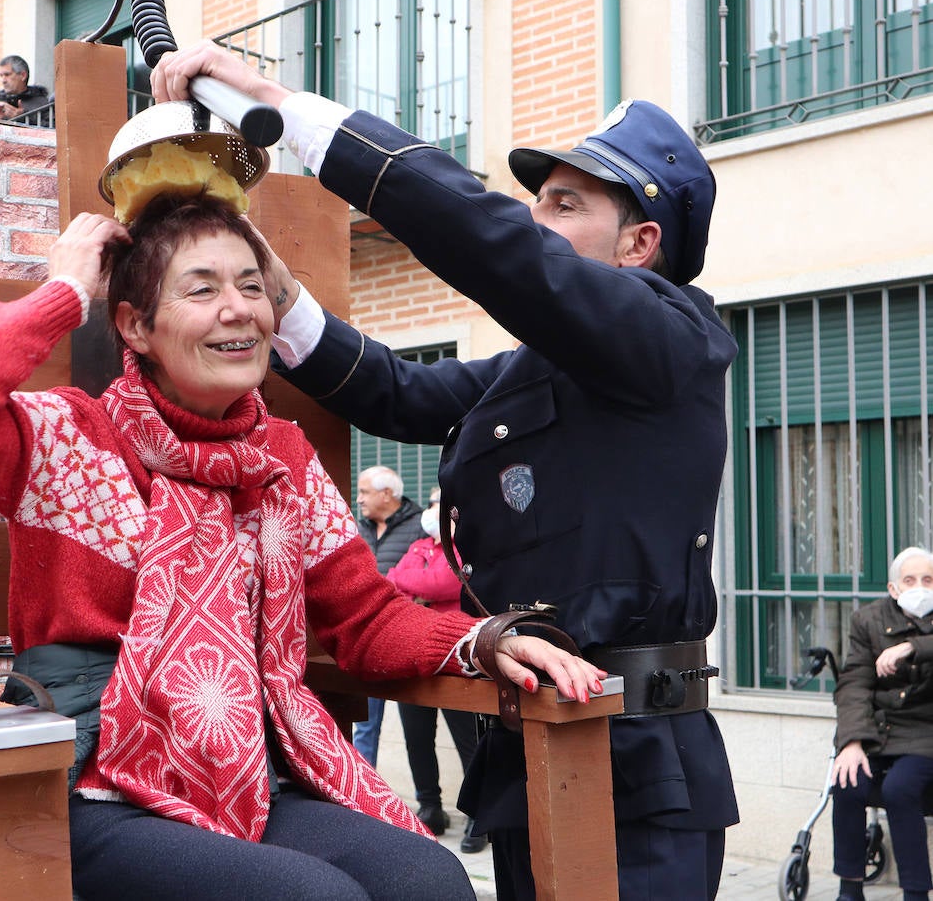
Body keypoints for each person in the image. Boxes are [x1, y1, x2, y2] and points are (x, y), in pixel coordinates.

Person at [0, 191, 606, 900]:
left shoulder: (283, 460)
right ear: (135, 327)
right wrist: (69, 289)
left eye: (252, 287)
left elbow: (367, 617)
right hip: (94, 784)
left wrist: (482, 641)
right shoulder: (66, 438)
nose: (238, 309)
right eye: (202, 290)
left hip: (248, 773)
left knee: (430, 879)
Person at [152, 44, 740, 900]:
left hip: (635, 765)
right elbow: (399, 393)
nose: (535, 218)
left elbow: (492, 242)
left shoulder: (673, 339)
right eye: (535, 199)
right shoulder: (542, 367)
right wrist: (267, 288)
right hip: (529, 737)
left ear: (640, 244)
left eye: (565, 204)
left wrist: (283, 106)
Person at [830, 546, 933, 901]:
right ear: (893, 589)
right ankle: (849, 888)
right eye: (910, 580)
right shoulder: (868, 620)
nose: (920, 587)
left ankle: (916, 893)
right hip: (879, 732)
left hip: (925, 733)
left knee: (899, 789)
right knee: (847, 782)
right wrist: (852, 742)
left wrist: (911, 648)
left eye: (928, 580)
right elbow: (854, 683)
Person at [387, 487, 485, 851]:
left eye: (440, 504)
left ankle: (478, 814)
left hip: (455, 658)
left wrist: (416, 586)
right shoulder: (417, 546)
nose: (433, 511)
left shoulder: (463, 550)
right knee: (417, 737)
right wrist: (416, 585)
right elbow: (391, 580)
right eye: (431, 504)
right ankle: (430, 806)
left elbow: (442, 582)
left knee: (467, 740)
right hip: (413, 656)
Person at [350, 466, 426, 778]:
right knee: (365, 727)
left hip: (411, 638)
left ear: (386, 494)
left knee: (419, 730)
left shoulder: (421, 525)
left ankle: (430, 804)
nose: (358, 500)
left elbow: (434, 578)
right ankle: (365, 801)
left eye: (364, 492)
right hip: (367, 639)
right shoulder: (356, 528)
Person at [0, 54, 53, 126]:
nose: (3, 80)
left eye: (7, 75)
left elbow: (54, 131)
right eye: (1, 76)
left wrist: (23, 118)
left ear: (23, 75)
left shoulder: (42, 105)